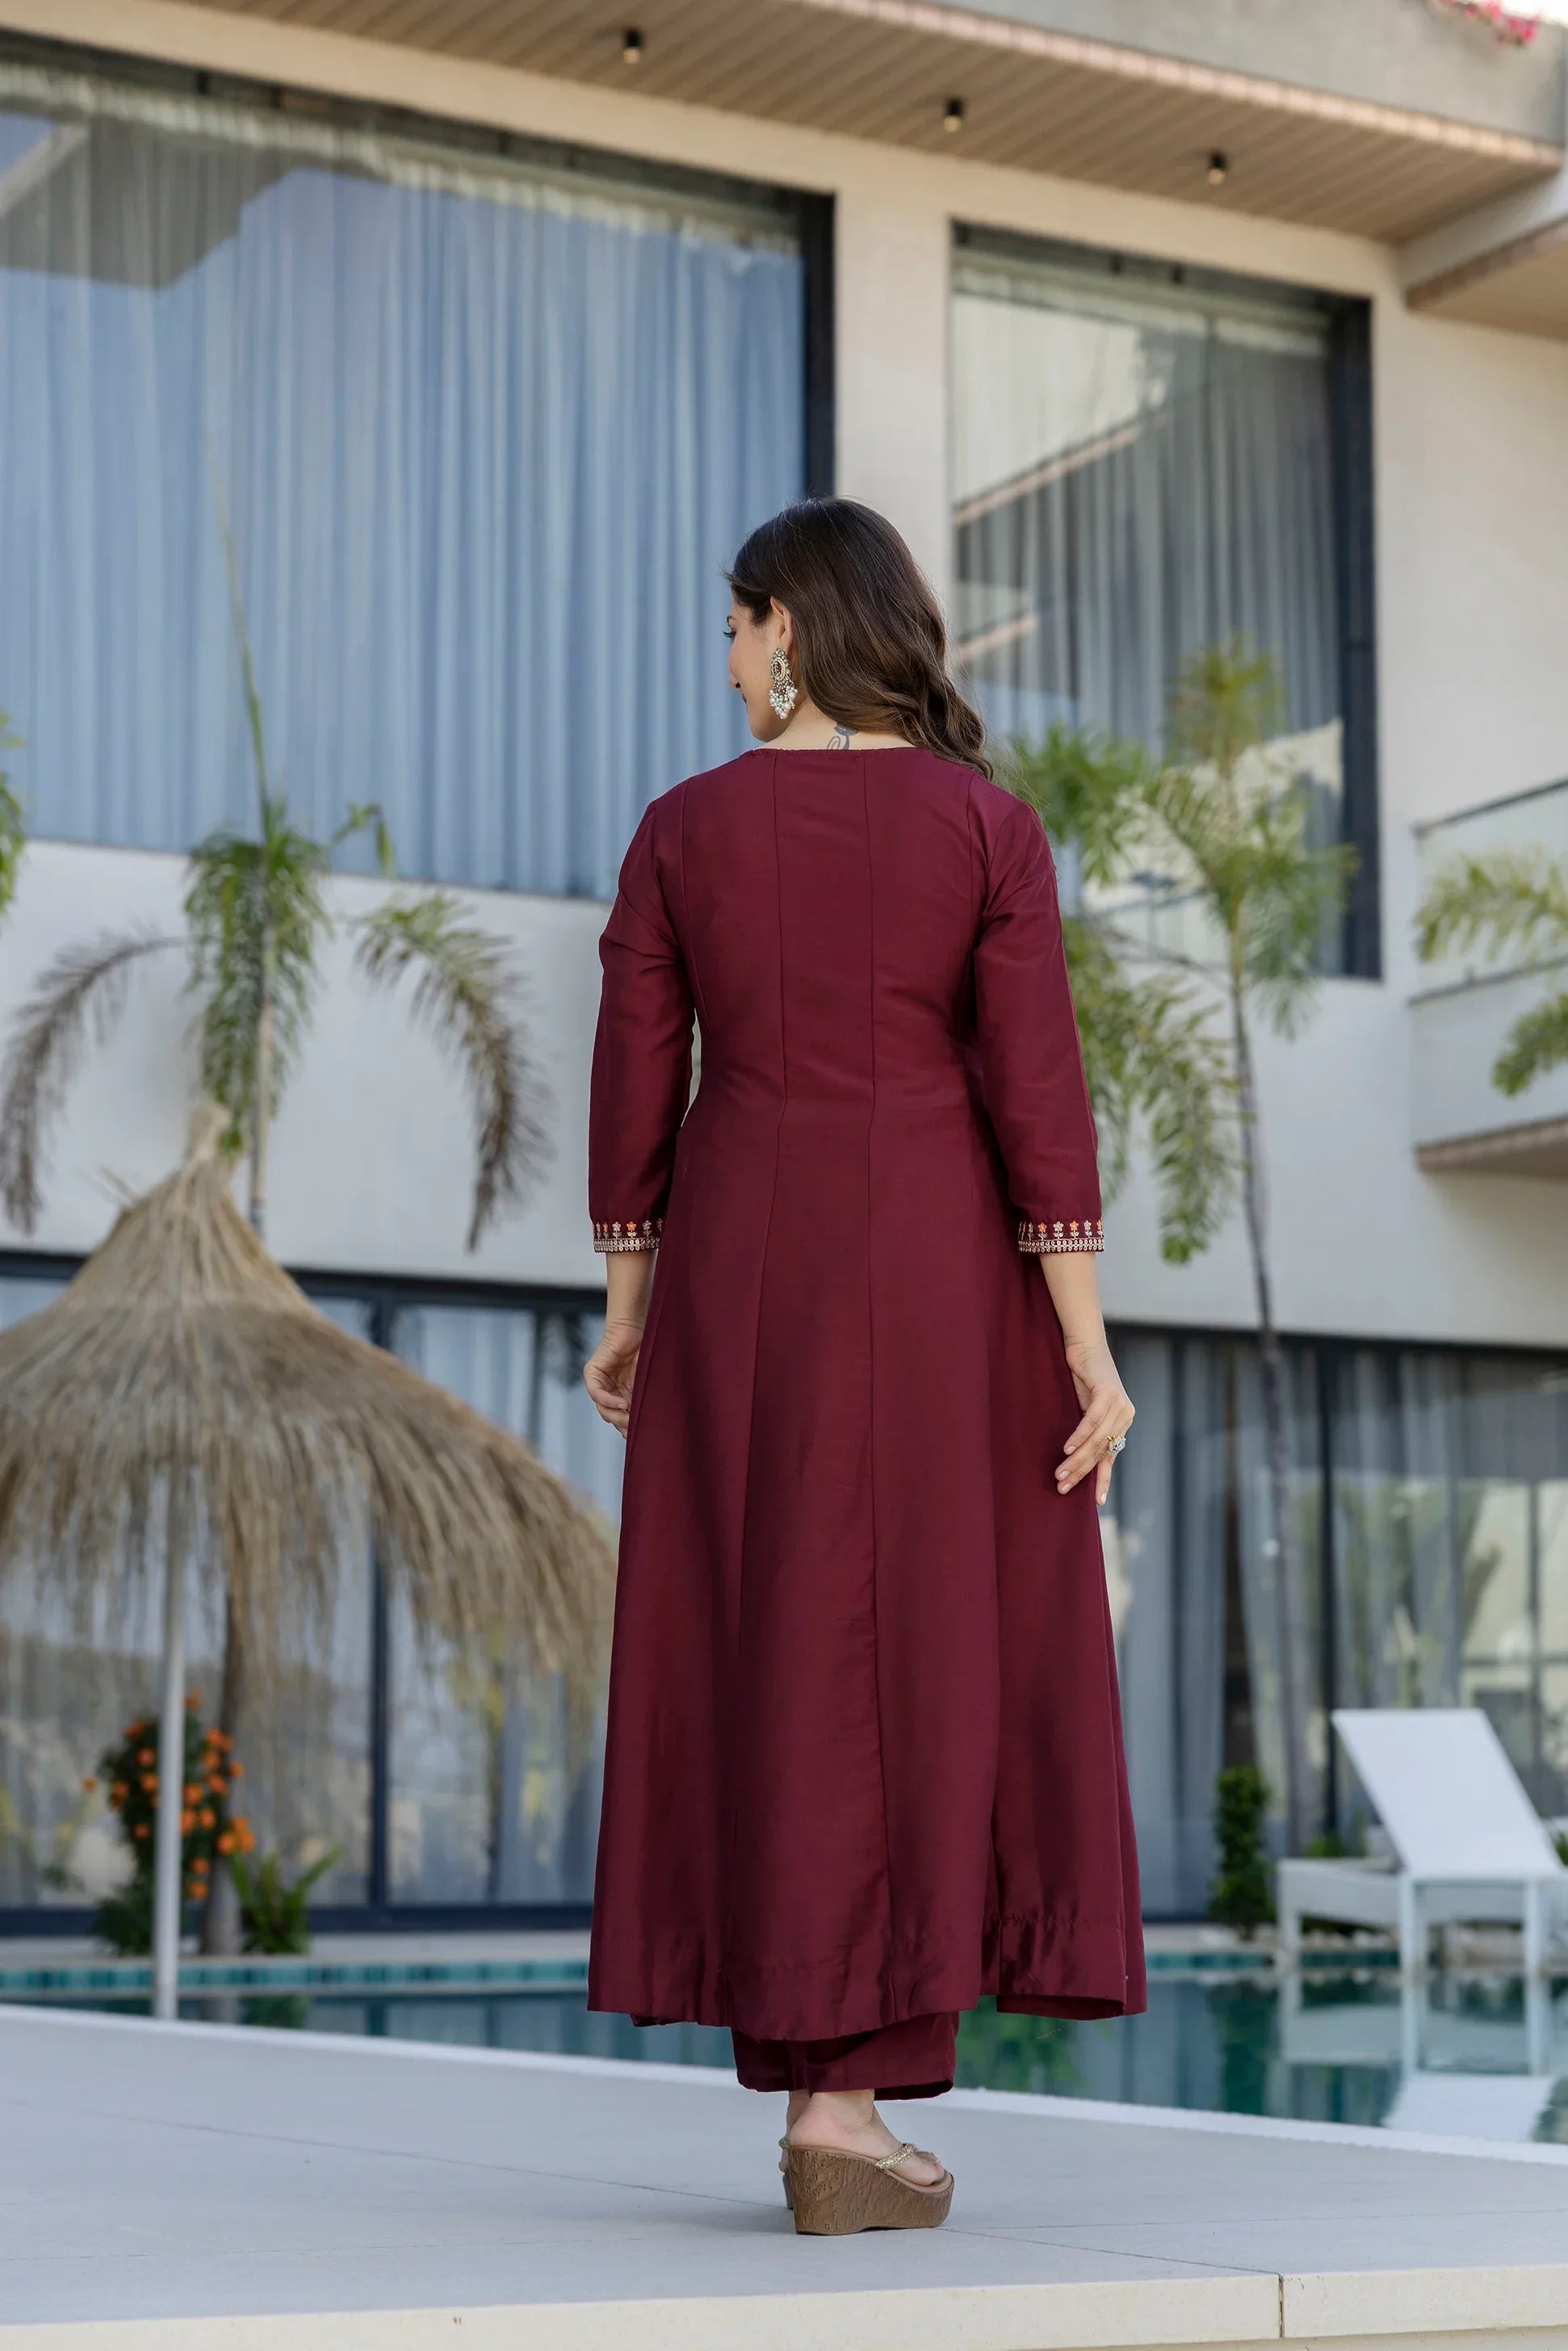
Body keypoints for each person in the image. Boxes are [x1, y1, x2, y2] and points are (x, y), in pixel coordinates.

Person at [583, 497, 1142, 2238]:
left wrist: (628, 1300)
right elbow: (1035, 1094)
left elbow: (638, 1075)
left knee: (770, 1639)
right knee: (931, 1646)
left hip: (743, 1264)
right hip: (939, 1265)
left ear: (789, 630)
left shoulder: (680, 831)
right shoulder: (985, 825)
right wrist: (1084, 1345)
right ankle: (846, 2106)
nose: (725, 658)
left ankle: (826, 2097)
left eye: (733, 625)